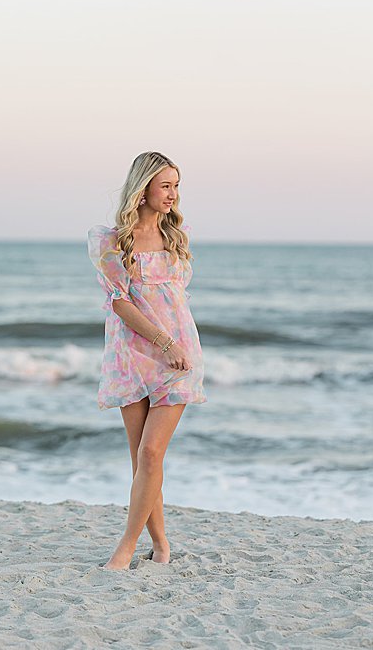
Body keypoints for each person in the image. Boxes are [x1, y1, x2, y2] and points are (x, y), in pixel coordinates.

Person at [87, 150, 207, 570]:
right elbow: (119, 303)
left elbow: (175, 301)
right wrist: (160, 341)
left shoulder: (177, 235)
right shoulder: (111, 240)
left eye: (176, 185)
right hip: (132, 353)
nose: (173, 194)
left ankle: (125, 546)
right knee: (142, 459)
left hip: (177, 357)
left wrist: (175, 346)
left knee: (153, 452)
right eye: (166, 185)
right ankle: (162, 544)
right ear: (143, 189)